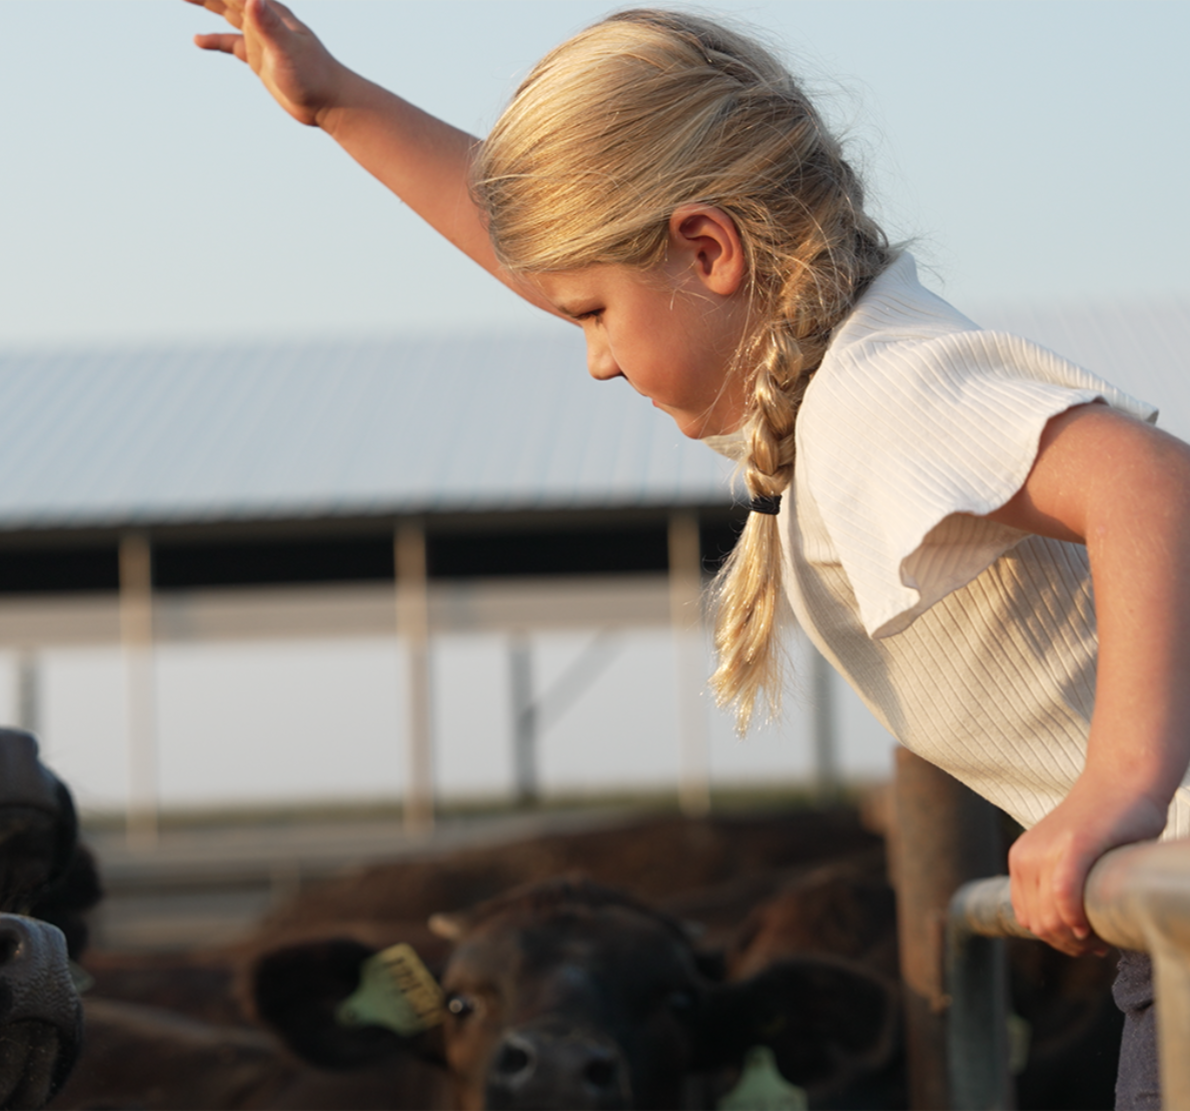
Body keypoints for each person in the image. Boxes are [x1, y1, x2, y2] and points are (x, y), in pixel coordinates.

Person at [184, 1, 1190, 1104]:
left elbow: (1149, 481)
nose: (595, 362)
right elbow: (573, 252)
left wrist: (1118, 787)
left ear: (706, 249)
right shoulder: (814, 376)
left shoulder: (877, 397)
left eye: (592, 316)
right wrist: (338, 104)